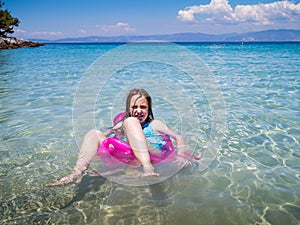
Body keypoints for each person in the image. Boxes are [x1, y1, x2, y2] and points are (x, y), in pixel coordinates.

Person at [47, 88, 189, 187]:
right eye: (134, 107)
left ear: (149, 109)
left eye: (143, 107)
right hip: (130, 153)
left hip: (152, 153)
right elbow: (106, 134)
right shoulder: (122, 124)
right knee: (94, 133)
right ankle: (76, 173)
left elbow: (179, 138)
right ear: (128, 109)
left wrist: (181, 156)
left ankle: (147, 168)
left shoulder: (155, 124)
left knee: (130, 121)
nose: (139, 111)